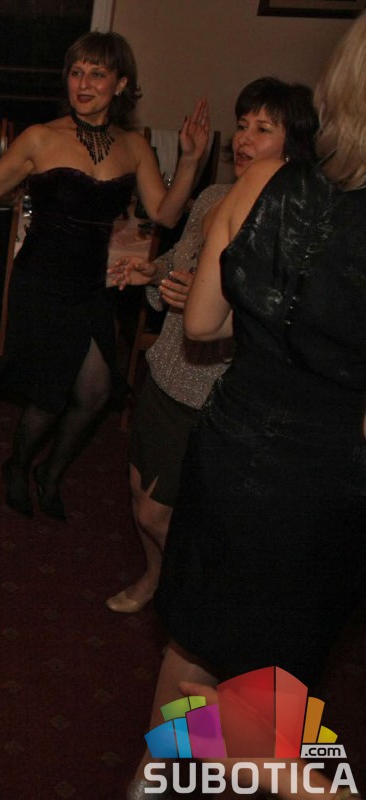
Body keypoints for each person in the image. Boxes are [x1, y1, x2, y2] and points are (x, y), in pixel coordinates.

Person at [127, 15, 366, 800]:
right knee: (271, 682)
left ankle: (154, 783)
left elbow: (201, 324)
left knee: (195, 642)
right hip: (320, 479)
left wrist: (274, 326)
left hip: (231, 448)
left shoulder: (265, 182)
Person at [0, 31, 209, 520]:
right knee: (49, 396)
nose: (84, 83)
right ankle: (18, 465)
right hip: (40, 282)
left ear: (121, 84)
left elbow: (164, 213)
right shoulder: (40, 137)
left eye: (97, 73)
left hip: (92, 286)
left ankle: (51, 472)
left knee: (96, 392)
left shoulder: (134, 146)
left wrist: (190, 160)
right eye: (76, 72)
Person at [105, 78, 318, 614]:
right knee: (137, 492)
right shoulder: (215, 197)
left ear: (293, 145)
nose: (244, 138)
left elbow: (286, 323)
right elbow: (179, 261)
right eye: (242, 125)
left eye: (263, 129)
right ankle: (157, 577)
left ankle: (196, 594)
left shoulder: (294, 226)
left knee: (158, 512)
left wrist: (207, 310)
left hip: (214, 392)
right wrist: (155, 273)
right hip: (165, 370)